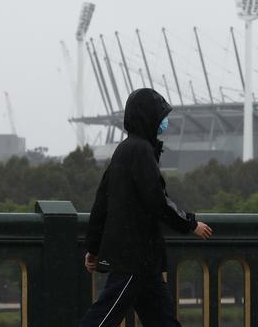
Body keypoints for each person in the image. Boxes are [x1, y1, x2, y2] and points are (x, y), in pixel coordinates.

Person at [79, 88, 212, 327]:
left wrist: (93, 246)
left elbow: (102, 202)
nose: (164, 122)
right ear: (149, 118)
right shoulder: (141, 151)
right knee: (102, 318)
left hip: (143, 261)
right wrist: (190, 224)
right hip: (134, 257)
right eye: (161, 117)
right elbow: (157, 200)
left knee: (163, 321)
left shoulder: (125, 149)